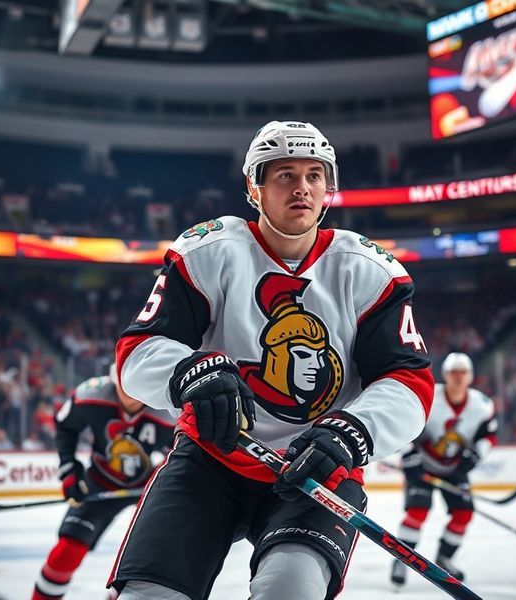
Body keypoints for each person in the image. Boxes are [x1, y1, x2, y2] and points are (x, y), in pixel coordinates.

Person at [109, 120, 435, 600]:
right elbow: (136, 354)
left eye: (313, 175)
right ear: (253, 188)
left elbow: (409, 381)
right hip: (211, 460)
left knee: (289, 592)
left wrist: (352, 433)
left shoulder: (368, 270)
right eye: (284, 174)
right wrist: (189, 374)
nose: (301, 187)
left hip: (318, 474)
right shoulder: (209, 250)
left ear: (329, 187)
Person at [32, 366, 174, 600]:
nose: (129, 394)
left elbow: (182, 450)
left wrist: (164, 476)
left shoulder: (168, 409)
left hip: (146, 490)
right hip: (99, 480)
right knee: (66, 552)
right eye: (123, 386)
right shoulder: (92, 395)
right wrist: (69, 469)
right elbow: (65, 426)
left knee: (145, 566)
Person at [390, 352, 497, 587]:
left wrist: (475, 455)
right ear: (446, 375)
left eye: (463, 373)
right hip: (422, 467)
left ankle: (444, 558)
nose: (458, 378)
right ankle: (401, 559)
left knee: (464, 514)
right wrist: (409, 456)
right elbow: (405, 425)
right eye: (453, 372)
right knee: (417, 512)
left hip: (455, 469)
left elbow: (488, 435)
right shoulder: (428, 396)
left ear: (470, 376)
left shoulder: (482, 406)